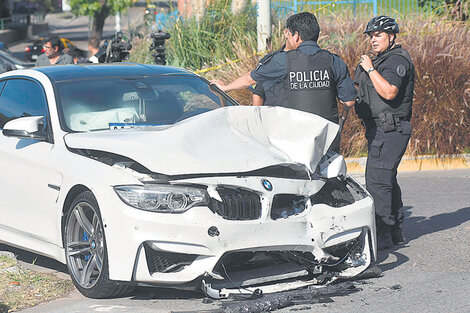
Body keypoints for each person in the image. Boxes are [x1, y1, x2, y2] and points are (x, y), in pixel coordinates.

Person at [211, 12, 356, 152]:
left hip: (293, 141)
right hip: (326, 140)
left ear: (296, 35)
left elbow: (250, 79)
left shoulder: (283, 60)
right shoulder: (334, 61)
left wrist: (225, 88)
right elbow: (349, 102)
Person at [354, 15, 414, 250]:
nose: (373, 40)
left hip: (391, 129)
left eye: (378, 35)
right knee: (386, 179)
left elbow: (389, 92)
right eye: (371, 35)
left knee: (377, 181)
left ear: (391, 36)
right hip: (380, 129)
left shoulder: (394, 61)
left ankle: (383, 235)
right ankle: (396, 231)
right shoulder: (380, 60)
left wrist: (369, 69)